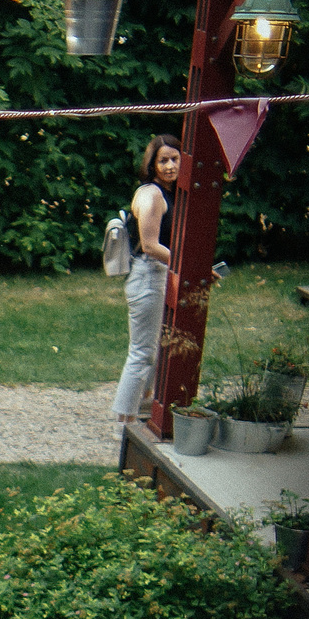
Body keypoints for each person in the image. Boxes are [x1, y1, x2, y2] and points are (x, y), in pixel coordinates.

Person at [113, 135, 182, 437]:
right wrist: (187, 265)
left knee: (154, 347)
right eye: (163, 160)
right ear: (152, 164)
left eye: (175, 159)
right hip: (147, 275)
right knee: (141, 351)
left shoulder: (172, 193)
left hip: (159, 275)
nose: (169, 166)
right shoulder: (152, 194)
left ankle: (142, 404)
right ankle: (122, 421)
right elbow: (150, 245)